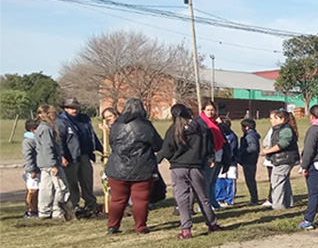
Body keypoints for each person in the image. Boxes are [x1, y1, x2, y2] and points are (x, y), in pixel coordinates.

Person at [158, 103, 223, 239]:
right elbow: (208, 145)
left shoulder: (173, 130)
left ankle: (186, 230)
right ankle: (212, 224)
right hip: (196, 166)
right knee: (203, 197)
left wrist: (165, 159)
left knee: (182, 199)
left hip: (178, 168)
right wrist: (210, 158)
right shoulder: (201, 128)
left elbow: (166, 149)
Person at [104, 98, 163, 235]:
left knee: (117, 199)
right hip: (141, 166)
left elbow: (113, 144)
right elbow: (157, 145)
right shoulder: (145, 125)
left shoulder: (116, 125)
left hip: (117, 167)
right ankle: (140, 227)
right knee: (140, 199)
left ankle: (112, 226)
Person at [56, 97, 103, 214]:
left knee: (87, 180)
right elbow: (59, 140)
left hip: (84, 154)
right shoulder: (61, 121)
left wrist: (101, 149)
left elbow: (91, 135)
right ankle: (74, 205)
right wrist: (62, 155)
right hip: (70, 157)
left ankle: (90, 203)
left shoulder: (84, 119)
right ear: (65, 108)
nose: (74, 110)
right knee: (72, 182)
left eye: (76, 107)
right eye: (71, 107)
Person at [34, 105, 73, 220]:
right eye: (53, 113)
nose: (55, 116)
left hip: (43, 162)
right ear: (48, 115)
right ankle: (58, 211)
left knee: (46, 188)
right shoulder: (46, 129)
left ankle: (44, 212)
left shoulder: (41, 128)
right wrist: (53, 165)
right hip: (50, 163)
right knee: (62, 187)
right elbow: (48, 147)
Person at [261, 108, 299, 209]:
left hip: (284, 159)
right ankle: (286, 203)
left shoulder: (285, 129)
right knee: (283, 181)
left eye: (274, 118)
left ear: (282, 119)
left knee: (276, 182)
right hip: (283, 159)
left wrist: (267, 151)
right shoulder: (279, 129)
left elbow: (283, 144)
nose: (271, 121)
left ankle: (277, 206)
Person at [198, 102, 226, 211]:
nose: (211, 112)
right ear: (203, 110)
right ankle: (204, 205)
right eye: (208, 110)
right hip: (208, 156)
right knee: (206, 181)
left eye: (212, 110)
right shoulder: (201, 123)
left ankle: (213, 203)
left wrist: (221, 124)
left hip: (218, 154)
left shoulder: (216, 123)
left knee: (213, 181)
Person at [214, 117, 239, 207]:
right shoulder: (219, 135)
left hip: (231, 162)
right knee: (220, 180)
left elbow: (231, 150)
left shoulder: (231, 136)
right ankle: (220, 199)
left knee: (230, 180)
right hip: (221, 161)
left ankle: (229, 200)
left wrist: (227, 159)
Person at [237, 118, 262, 205]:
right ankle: (254, 198)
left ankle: (254, 199)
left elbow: (253, 148)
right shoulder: (252, 135)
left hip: (249, 160)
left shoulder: (249, 136)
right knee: (250, 180)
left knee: (250, 180)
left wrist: (243, 152)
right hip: (250, 160)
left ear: (247, 127)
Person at [21, 119, 40, 218]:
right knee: (32, 190)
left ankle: (36, 209)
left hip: (38, 168)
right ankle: (30, 210)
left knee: (38, 190)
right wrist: (31, 170)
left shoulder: (36, 140)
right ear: (33, 130)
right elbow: (28, 156)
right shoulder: (28, 141)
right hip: (32, 170)